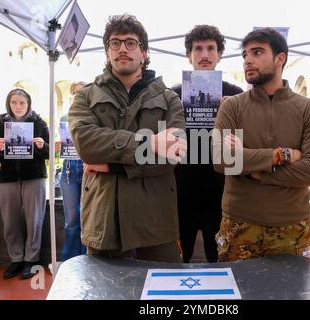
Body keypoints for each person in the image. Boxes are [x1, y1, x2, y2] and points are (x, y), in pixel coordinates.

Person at [68, 14, 186, 263]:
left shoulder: (169, 99)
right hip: (105, 220)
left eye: (131, 43)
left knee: (163, 294)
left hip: (156, 219)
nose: (122, 48)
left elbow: (174, 153)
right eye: (115, 43)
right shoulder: (85, 96)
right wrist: (151, 143)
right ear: (107, 52)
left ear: (144, 52)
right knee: (105, 291)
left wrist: (111, 165)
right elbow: (86, 144)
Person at [213, 28, 310, 262]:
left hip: (292, 228)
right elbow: (222, 160)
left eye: (257, 52)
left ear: (280, 59)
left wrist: (255, 171)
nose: (248, 60)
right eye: (245, 54)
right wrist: (282, 155)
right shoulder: (232, 107)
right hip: (239, 225)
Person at [172, 25, 243, 263]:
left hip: (220, 190)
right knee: (180, 258)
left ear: (219, 54)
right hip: (182, 190)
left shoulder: (236, 94)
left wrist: (232, 112)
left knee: (220, 258)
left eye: (211, 48)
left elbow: (245, 144)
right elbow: (163, 143)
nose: (204, 55)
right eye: (198, 49)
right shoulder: (173, 95)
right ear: (188, 55)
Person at [0, 88, 49, 279]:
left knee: (35, 221)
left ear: (29, 104)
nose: (18, 106)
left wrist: (42, 146)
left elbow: (49, 154)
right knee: (10, 222)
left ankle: (31, 260)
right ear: (9, 104)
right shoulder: (0, 124)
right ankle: (16, 259)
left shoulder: (39, 123)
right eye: (14, 102)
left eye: (22, 102)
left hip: (34, 178)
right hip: (7, 179)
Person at [59, 81, 86, 261]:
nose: (78, 95)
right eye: (75, 92)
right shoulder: (64, 118)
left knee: (88, 219)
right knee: (71, 220)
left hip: (88, 169)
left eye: (82, 92)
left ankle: (86, 260)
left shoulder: (94, 116)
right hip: (68, 169)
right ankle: (68, 261)